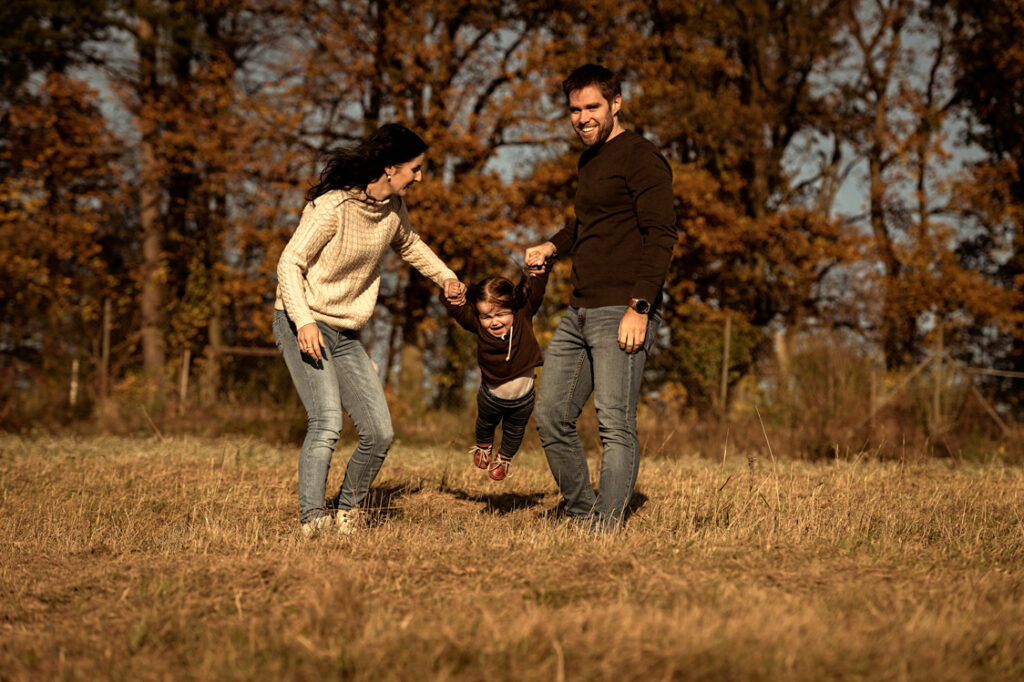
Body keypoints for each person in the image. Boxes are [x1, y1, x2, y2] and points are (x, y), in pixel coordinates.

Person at [274, 123, 466, 537]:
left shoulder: (392, 209)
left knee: (379, 431)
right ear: (390, 167)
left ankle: (348, 512)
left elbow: (410, 244)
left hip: (345, 333)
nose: (420, 177)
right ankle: (312, 520)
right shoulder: (333, 207)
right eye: (415, 169)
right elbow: (289, 264)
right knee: (326, 423)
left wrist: (446, 278)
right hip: (302, 320)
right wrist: (303, 321)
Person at [525, 64, 677, 533]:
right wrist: (553, 245)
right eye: (575, 109)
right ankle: (579, 510)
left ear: (616, 103)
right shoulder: (588, 161)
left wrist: (640, 307)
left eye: (592, 107)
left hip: (622, 310)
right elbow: (584, 225)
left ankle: (604, 528)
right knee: (551, 414)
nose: (583, 117)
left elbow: (661, 234)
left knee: (614, 426)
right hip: (579, 309)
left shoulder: (641, 157)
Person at [440, 266, 550, 481]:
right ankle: (483, 447)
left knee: (514, 432)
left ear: (513, 308)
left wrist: (541, 270)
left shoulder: (523, 317)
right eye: (487, 316)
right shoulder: (478, 326)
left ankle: (503, 459)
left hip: (523, 399)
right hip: (490, 395)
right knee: (485, 423)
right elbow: (456, 310)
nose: (495, 321)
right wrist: (450, 292)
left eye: (501, 314)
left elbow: (537, 291)